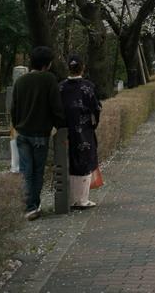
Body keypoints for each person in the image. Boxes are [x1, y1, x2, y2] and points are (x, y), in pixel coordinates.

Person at [11, 46, 66, 220]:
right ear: (47, 64)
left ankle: (29, 205)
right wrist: (61, 127)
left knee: (26, 170)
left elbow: (14, 108)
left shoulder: (21, 82)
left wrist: (18, 125)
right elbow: (56, 107)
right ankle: (33, 206)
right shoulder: (49, 80)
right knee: (37, 171)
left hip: (22, 132)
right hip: (40, 134)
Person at [60, 53, 102, 209]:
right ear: (83, 67)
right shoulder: (88, 86)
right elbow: (96, 108)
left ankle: (71, 199)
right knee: (86, 160)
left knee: (69, 160)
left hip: (66, 130)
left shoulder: (61, 87)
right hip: (84, 129)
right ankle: (82, 199)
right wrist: (94, 123)